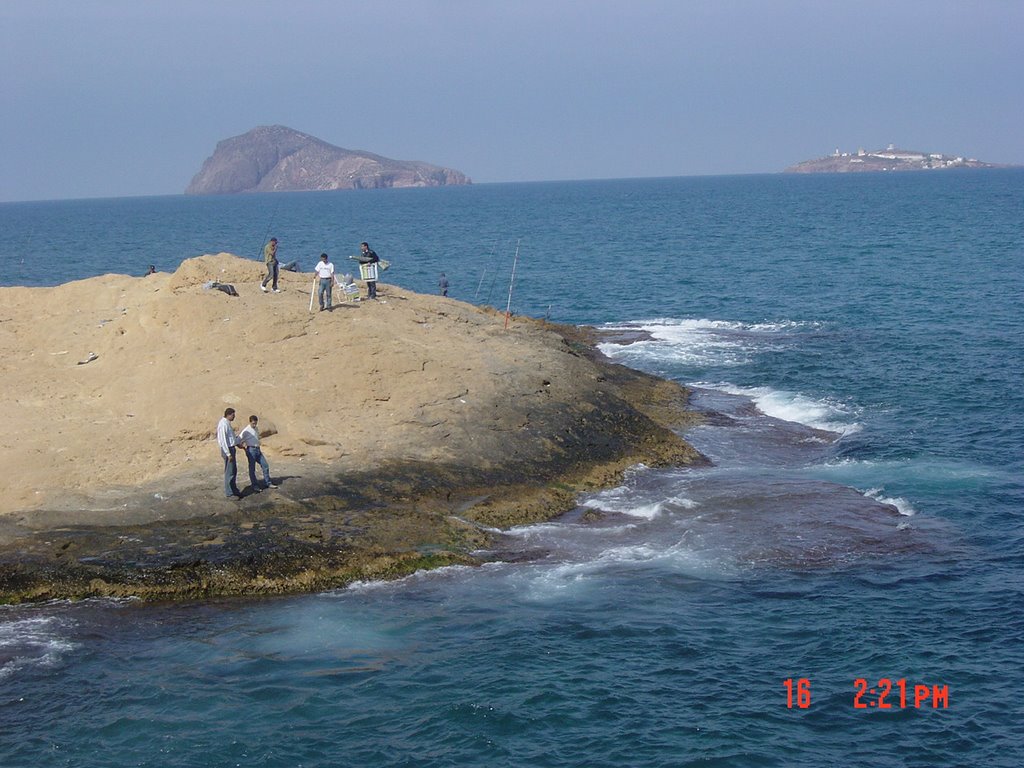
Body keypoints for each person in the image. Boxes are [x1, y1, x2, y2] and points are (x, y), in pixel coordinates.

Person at [237, 415, 277, 491]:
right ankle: (255, 485)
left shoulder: (256, 428)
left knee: (265, 465)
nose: (254, 425)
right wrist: (243, 448)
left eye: (255, 423)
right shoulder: (246, 430)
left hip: (258, 449)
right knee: (252, 469)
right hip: (251, 450)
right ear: (250, 422)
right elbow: (238, 440)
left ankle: (268, 482)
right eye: (253, 423)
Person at [216, 408, 242, 498]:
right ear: (229, 414)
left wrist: (238, 444)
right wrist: (228, 454)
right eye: (233, 415)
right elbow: (223, 440)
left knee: (233, 470)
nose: (234, 417)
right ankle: (229, 493)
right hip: (228, 450)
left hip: (231, 448)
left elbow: (231, 438)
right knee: (229, 472)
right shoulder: (223, 424)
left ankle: (234, 490)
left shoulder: (227, 423)